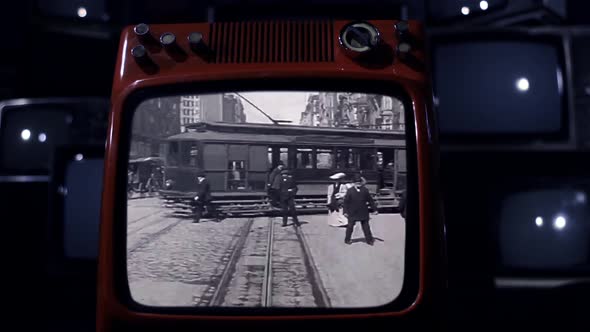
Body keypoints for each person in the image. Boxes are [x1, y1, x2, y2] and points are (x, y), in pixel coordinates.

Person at [343, 173, 378, 245]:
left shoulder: (365, 190)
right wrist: (345, 212)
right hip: (352, 212)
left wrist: (375, 209)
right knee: (350, 227)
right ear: (354, 183)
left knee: (366, 227)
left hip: (363, 211)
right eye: (356, 182)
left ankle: (369, 240)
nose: (358, 184)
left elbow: (370, 200)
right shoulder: (350, 191)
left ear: (361, 183)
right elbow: (346, 202)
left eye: (359, 182)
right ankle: (347, 239)